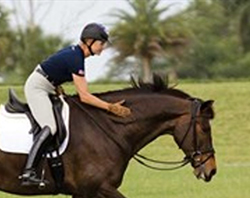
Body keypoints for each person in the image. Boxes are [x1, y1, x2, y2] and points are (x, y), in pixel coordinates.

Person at [19, 23, 131, 186]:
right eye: (101, 43)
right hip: (37, 88)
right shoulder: (75, 58)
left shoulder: (75, 54)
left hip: (47, 86)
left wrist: (56, 87)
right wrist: (110, 107)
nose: (103, 48)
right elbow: (84, 96)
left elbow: (52, 67)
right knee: (51, 127)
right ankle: (28, 172)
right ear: (89, 41)